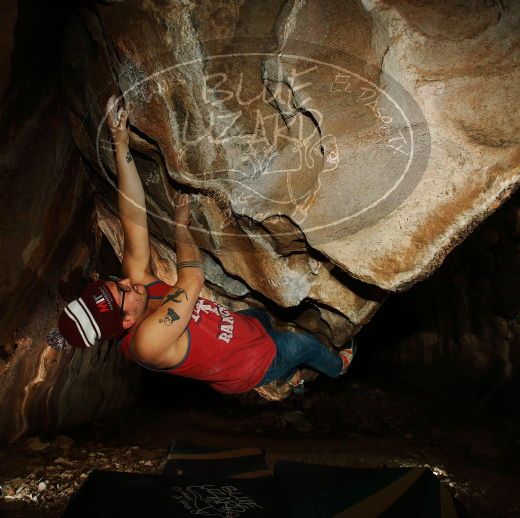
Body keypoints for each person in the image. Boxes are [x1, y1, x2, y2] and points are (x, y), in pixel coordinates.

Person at [51, 96, 354, 395]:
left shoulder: (137, 288)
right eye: (124, 292)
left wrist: (120, 145)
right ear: (127, 320)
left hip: (238, 330)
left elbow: (133, 217)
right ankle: (337, 367)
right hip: (249, 365)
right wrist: (181, 228)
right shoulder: (147, 343)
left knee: (261, 318)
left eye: (118, 282)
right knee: (301, 345)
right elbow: (192, 279)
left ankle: (289, 376)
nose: (129, 281)